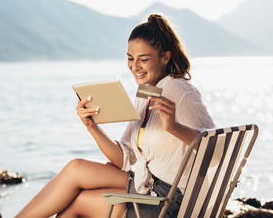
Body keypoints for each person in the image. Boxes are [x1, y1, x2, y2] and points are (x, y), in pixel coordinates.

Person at [15, 14, 215, 218]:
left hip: (170, 200)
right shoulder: (147, 91)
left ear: (165, 57)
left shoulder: (180, 90)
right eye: (130, 58)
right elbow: (124, 158)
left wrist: (173, 127)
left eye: (143, 59)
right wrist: (92, 126)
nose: (135, 67)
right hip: (149, 184)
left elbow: (216, 150)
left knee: (77, 204)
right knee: (76, 168)